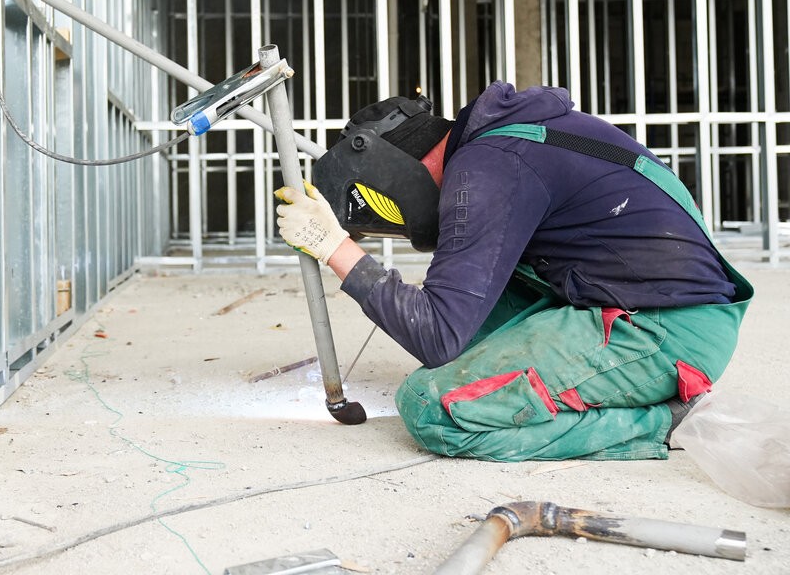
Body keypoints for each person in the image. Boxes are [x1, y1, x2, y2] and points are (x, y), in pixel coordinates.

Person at [274, 81, 753, 462]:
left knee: (432, 407)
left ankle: (661, 422)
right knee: (462, 355)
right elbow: (453, 330)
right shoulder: (508, 140)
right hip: (643, 300)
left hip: (663, 329)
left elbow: (436, 333)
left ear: (399, 169)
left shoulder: (488, 167)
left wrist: (332, 247)